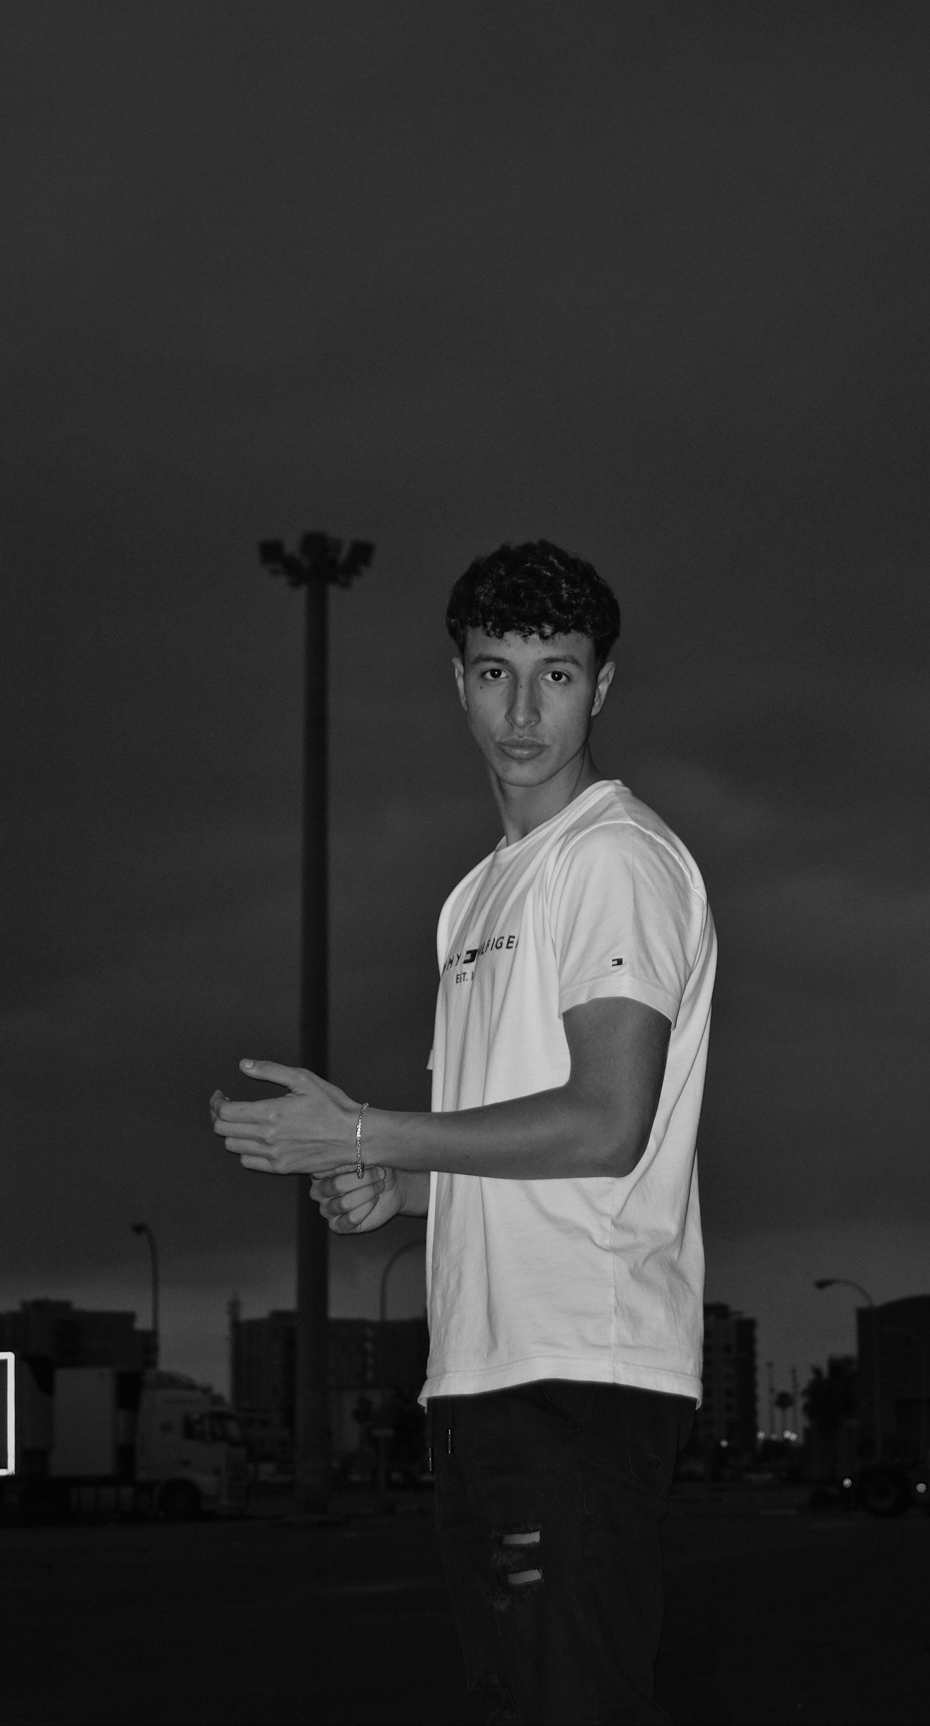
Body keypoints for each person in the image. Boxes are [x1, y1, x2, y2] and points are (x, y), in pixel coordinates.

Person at [212, 539, 716, 1725]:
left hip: (580, 1375)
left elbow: (606, 1121)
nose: (524, 711)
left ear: (603, 685)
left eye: (557, 674)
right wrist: (391, 1180)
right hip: (484, 1375)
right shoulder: (477, 894)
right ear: (459, 682)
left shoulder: (613, 858)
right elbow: (500, 1140)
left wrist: (370, 1128)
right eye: (496, 673)